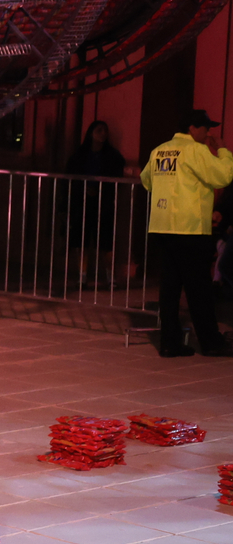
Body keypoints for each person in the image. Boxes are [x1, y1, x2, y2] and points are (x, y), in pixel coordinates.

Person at [140, 108, 233, 357]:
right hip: (190, 229)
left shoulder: (160, 149)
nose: (209, 133)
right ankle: (211, 342)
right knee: (198, 289)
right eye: (206, 128)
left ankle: (169, 343)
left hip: (162, 227)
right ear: (193, 128)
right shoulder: (195, 150)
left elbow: (146, 180)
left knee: (169, 289)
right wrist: (223, 150)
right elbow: (223, 175)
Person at [64, 120, 127, 289]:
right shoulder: (81, 154)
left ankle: (110, 277)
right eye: (99, 131)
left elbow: (118, 172)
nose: (103, 134)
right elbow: (71, 172)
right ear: (91, 133)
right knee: (81, 240)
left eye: (105, 131)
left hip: (104, 202)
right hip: (83, 202)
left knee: (106, 241)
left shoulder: (112, 156)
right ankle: (82, 276)